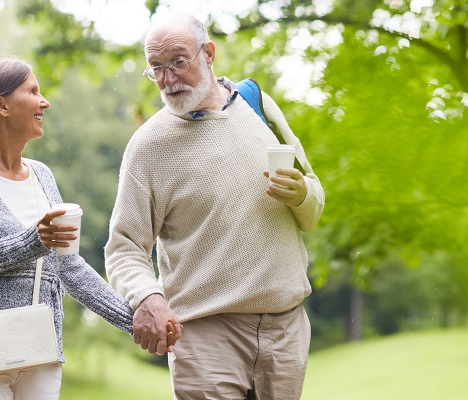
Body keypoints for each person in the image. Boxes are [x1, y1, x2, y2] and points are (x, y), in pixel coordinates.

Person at [104, 12, 325, 400]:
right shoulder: (148, 146)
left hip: (286, 329)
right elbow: (124, 248)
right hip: (205, 335)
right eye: (156, 68)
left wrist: (301, 195)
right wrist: (148, 297)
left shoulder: (258, 105)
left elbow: (314, 207)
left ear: (208, 53)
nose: (168, 80)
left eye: (177, 62)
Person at [0, 59, 168, 399]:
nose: (45, 101)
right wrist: (31, 242)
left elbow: (68, 268)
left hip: (40, 349)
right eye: (33, 91)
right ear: (2, 104)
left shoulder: (42, 175)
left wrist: (135, 322)